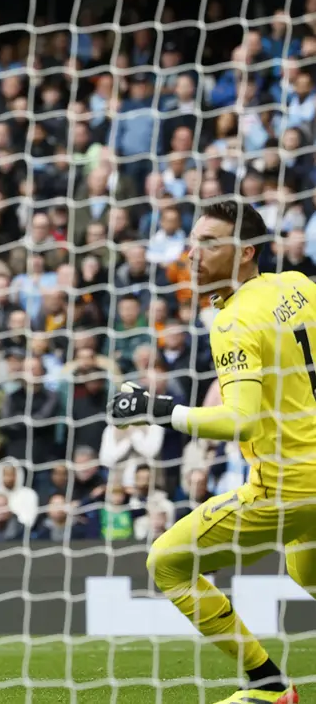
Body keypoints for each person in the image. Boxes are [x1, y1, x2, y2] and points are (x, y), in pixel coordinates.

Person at [111, 200, 313, 704]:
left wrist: (160, 410)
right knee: (306, 571)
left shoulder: (234, 322)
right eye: (193, 241)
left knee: (168, 563)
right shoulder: (299, 287)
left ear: (246, 252)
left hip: (287, 486)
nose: (193, 253)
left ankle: (267, 685)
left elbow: (239, 419)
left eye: (209, 243)